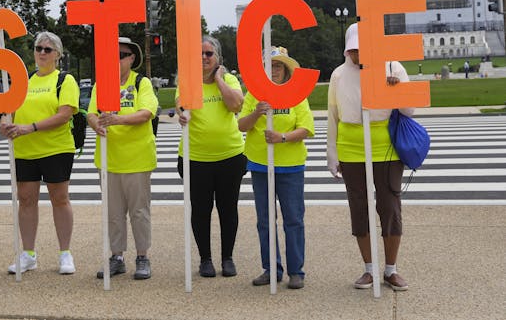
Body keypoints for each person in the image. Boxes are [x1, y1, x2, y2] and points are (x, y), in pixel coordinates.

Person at [326, 23, 413, 291]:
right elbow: (332, 115)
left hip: (384, 147)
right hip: (351, 147)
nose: (358, 55)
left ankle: (391, 269)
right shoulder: (339, 75)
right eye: (353, 50)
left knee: (389, 207)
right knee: (359, 208)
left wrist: (395, 89)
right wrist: (332, 152)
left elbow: (409, 111)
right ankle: (368, 269)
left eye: (362, 49)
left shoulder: (393, 67)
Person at [0, 32, 79, 275]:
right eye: (38, 48)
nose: (42, 53)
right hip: (25, 150)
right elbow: (8, 110)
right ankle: (28, 254)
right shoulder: (24, 81)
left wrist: (30, 127)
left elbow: (64, 114)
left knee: (60, 198)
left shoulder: (64, 80)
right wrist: (5, 121)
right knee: (25, 199)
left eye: (47, 49)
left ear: (57, 54)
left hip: (56, 148)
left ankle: (65, 253)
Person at [238, 46, 314, 290]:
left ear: (286, 69)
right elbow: (241, 125)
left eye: (278, 66)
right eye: (269, 67)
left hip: (290, 166)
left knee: (293, 219)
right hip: (261, 165)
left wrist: (282, 137)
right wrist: (256, 113)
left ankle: (296, 271)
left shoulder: (296, 95)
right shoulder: (254, 94)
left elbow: (306, 128)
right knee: (265, 220)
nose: (273, 71)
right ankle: (271, 268)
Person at [87, 36, 158, 280]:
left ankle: (142, 257)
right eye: (111, 55)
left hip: (137, 158)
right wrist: (97, 124)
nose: (115, 60)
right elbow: (91, 113)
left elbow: (146, 112)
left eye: (121, 55)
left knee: (139, 211)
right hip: (109, 159)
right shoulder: (102, 83)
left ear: (131, 58)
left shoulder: (142, 83)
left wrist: (117, 119)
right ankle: (116, 256)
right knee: (113, 213)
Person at [176, 35, 246, 278]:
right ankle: (205, 259)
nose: (204, 58)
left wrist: (218, 80)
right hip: (196, 158)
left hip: (230, 156)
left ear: (218, 58)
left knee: (228, 209)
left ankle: (227, 257)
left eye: (209, 53)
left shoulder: (228, 79)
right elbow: (180, 105)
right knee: (201, 210)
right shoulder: (188, 81)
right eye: (200, 54)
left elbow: (236, 105)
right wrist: (181, 114)